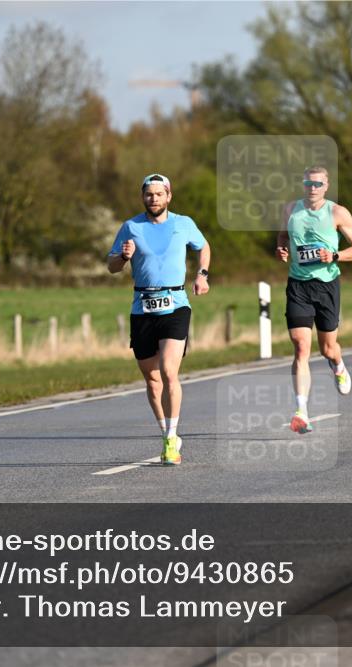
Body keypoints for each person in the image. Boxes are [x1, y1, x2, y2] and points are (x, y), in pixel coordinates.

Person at [107, 173, 210, 465]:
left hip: (175, 304)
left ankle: (170, 439)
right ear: (143, 197)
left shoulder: (183, 223)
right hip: (142, 307)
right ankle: (166, 431)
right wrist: (123, 257)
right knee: (153, 381)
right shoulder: (131, 227)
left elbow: (203, 246)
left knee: (168, 370)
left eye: (159, 194)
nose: (154, 199)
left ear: (168, 196)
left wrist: (202, 275)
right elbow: (111, 266)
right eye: (149, 194)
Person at [276, 166, 352, 434]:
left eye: (317, 184)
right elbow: (283, 235)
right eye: (308, 184)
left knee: (327, 348)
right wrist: (281, 248)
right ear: (302, 185)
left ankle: (338, 365)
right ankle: (301, 411)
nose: (312, 189)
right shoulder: (290, 210)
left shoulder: (337, 213)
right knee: (301, 347)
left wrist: (335, 256)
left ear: (326, 186)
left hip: (327, 286)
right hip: (298, 285)